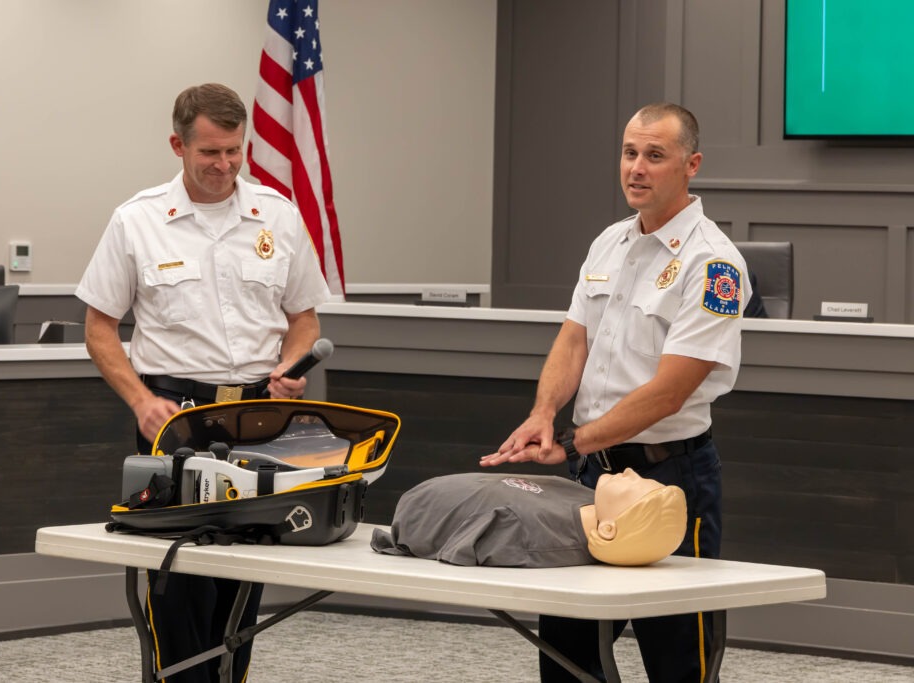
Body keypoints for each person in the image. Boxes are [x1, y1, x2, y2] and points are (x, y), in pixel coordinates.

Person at [480, 102, 748, 683]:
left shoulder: (714, 263)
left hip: (669, 476)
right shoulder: (608, 243)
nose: (637, 168)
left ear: (691, 164)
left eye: (655, 155)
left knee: (679, 658)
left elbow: (668, 395)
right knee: (568, 654)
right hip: (589, 480)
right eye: (630, 153)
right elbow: (573, 341)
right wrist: (543, 415)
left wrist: (574, 442)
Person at [76, 83, 331, 683]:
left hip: (260, 417)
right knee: (177, 578)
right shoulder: (137, 220)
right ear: (178, 145)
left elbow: (304, 318)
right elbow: (99, 328)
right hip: (175, 415)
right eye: (209, 153)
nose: (223, 167)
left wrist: (291, 366)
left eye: (234, 153)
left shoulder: (278, 215)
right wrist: (140, 400)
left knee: (239, 580)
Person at [371, 467, 686, 568]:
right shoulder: (588, 499)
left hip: (418, 513)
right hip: (422, 502)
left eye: (635, 486)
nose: (631, 472)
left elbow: (462, 552)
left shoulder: (524, 533)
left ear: (608, 529)